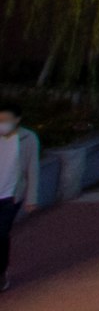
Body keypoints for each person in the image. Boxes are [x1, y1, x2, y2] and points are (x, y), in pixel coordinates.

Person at [0, 103, 35, 290]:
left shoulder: (28, 139)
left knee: (1, 234)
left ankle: (1, 271)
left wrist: (31, 197)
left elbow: (32, 169)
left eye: (6, 120)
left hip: (10, 196)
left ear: (17, 120)